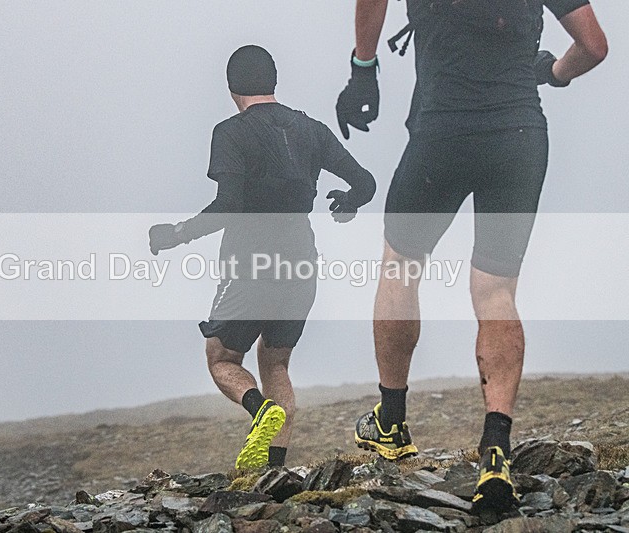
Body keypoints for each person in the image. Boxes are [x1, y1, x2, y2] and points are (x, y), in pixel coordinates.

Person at [336, 0, 607, 514]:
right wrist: (553, 72)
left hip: (443, 132)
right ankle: (496, 450)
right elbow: (593, 46)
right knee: (496, 290)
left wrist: (363, 71)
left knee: (400, 266)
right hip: (519, 136)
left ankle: (391, 420)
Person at [150, 45, 376, 470]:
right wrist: (348, 203)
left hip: (250, 266)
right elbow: (365, 183)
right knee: (275, 362)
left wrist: (175, 235)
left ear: (231, 88)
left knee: (222, 358)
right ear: (273, 81)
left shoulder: (231, 133)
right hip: (301, 264)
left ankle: (259, 410)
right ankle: (273, 470)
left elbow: (228, 206)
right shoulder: (311, 130)